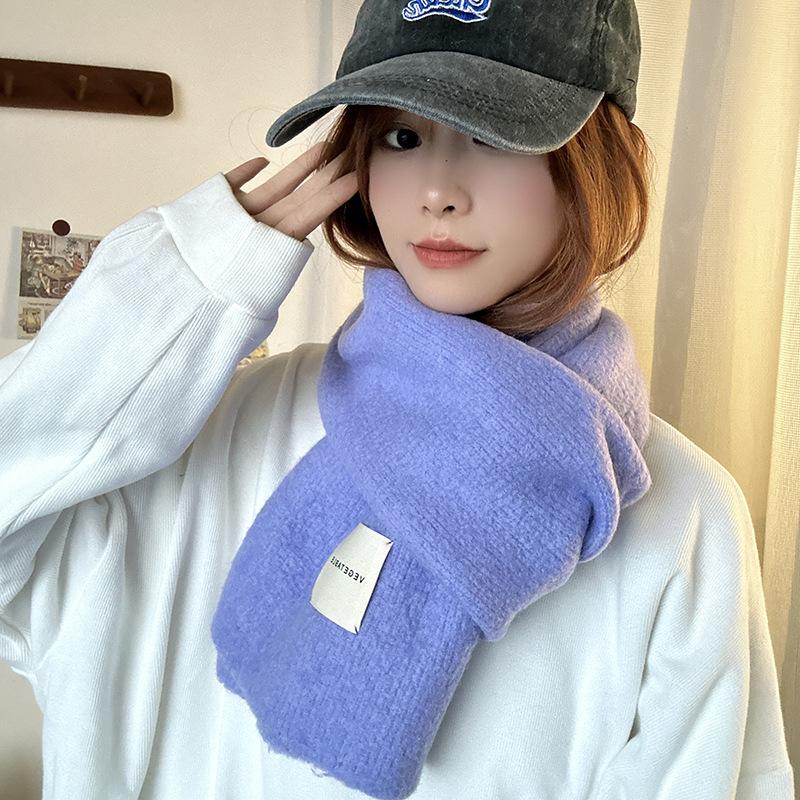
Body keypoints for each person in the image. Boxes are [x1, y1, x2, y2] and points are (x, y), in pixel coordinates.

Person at [0, 1, 794, 798]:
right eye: (401, 137)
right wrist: (181, 286)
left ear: (599, 167)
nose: (438, 191)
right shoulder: (220, 428)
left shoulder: (682, 517)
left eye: (496, 133)